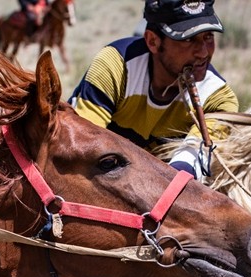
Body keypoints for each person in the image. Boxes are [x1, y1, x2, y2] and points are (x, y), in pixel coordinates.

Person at [69, 0, 237, 179]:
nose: (203, 52)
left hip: (155, 189)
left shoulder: (218, 98)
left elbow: (187, 165)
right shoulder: (115, 66)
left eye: (208, 36)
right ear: (153, 41)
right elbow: (82, 150)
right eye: (188, 39)